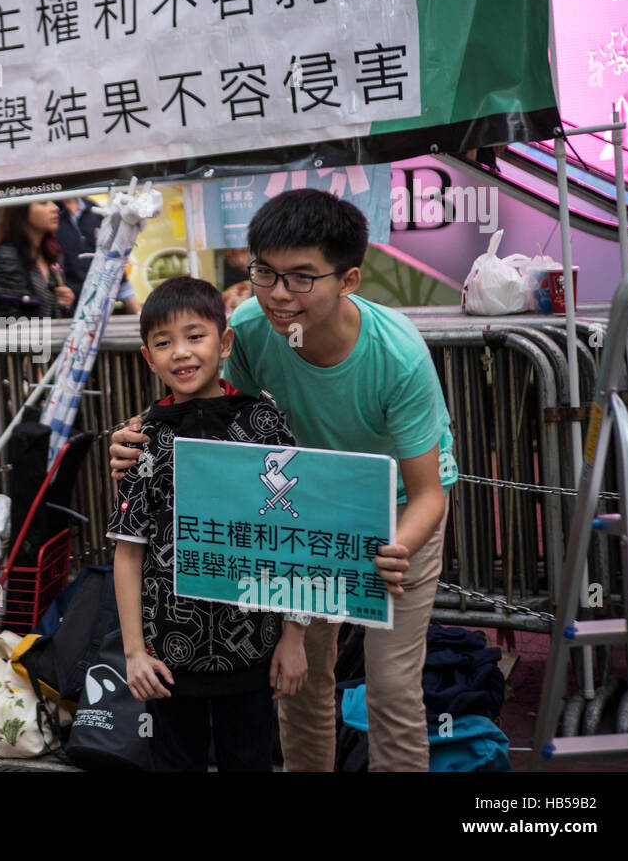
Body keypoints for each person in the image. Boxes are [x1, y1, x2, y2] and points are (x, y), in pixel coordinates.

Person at [110, 189, 457, 772]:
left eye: (300, 278)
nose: (277, 293)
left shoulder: (398, 356)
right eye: (265, 272)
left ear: (347, 279)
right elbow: (213, 413)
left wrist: (398, 547)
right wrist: (136, 435)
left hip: (392, 519)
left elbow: (428, 493)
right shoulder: (247, 328)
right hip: (294, 522)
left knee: (392, 690)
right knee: (298, 683)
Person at [108, 276, 306, 772]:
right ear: (148, 358)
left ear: (224, 342)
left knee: (251, 761)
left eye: (195, 336)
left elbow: (293, 537)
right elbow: (128, 552)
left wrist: (294, 636)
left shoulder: (262, 423)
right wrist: (134, 652)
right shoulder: (142, 438)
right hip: (167, 657)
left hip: (254, 646)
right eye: (163, 342)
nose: (181, 352)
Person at [0, 200, 74, 319]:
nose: (55, 208)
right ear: (21, 211)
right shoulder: (7, 258)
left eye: (53, 201)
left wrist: (64, 303)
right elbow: (6, 319)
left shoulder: (49, 257)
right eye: (43, 203)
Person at [56, 198, 140, 314]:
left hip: (102, 309)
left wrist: (137, 313)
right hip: (69, 311)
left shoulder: (92, 208)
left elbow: (112, 260)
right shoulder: (51, 210)